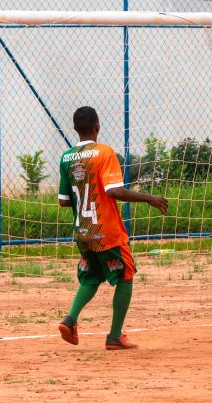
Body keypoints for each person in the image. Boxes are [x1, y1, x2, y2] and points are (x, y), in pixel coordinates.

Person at [57, 106, 169, 350]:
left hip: (82, 232)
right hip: (107, 232)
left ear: (75, 128)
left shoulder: (66, 157)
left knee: (92, 276)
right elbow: (113, 191)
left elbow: (64, 200)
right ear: (97, 126)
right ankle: (115, 336)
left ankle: (70, 319)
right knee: (126, 274)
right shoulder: (104, 152)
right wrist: (150, 198)